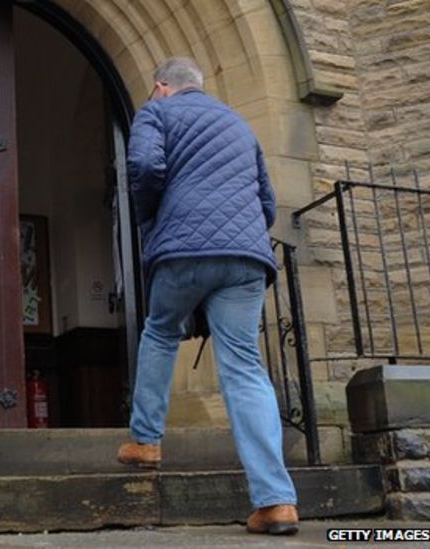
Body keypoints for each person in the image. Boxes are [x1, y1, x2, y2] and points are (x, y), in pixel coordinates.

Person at [117, 57, 299, 536]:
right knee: (243, 366)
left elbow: (143, 166)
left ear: (161, 87)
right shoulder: (239, 124)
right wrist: (241, 239)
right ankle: (276, 501)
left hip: (183, 252)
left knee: (160, 332)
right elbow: (266, 200)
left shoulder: (155, 114)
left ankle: (146, 441)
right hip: (246, 257)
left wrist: (150, 219)